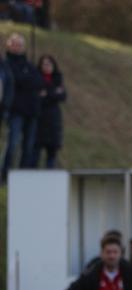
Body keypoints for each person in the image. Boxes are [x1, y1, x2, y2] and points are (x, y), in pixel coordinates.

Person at [1, 33, 42, 180]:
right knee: (12, 144)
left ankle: (23, 178)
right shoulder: (6, 64)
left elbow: (38, 81)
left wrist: (25, 80)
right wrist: (27, 80)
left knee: (28, 147)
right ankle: (4, 175)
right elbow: (15, 80)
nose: (17, 47)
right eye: (15, 44)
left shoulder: (29, 65)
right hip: (15, 111)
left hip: (31, 112)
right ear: (9, 45)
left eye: (20, 44)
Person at [35, 54, 65, 168]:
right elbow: (38, 96)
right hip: (39, 118)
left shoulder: (58, 78)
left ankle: (50, 178)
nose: (47, 66)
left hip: (54, 121)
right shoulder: (37, 78)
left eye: (49, 64)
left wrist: (47, 93)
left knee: (52, 154)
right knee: (35, 152)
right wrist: (54, 93)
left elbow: (63, 96)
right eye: (44, 64)